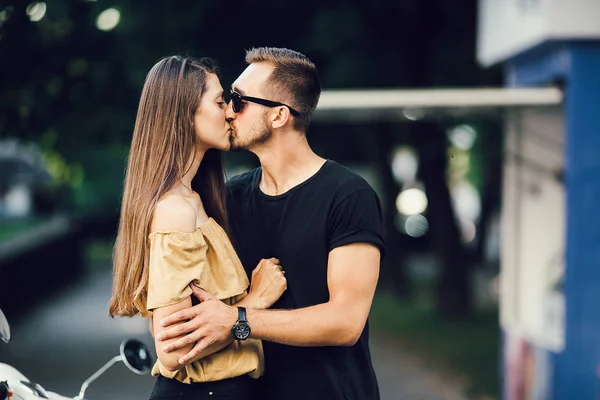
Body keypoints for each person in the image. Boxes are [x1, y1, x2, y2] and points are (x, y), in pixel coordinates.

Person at [156, 47, 385, 400]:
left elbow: (346, 322)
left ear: (279, 116)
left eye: (240, 100)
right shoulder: (225, 200)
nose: (229, 110)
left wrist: (239, 320)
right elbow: (188, 320)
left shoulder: (348, 195)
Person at [108, 55, 287, 400]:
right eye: (220, 102)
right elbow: (172, 353)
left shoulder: (195, 199)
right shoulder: (175, 210)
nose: (231, 112)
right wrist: (255, 301)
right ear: (184, 113)